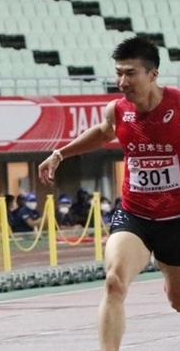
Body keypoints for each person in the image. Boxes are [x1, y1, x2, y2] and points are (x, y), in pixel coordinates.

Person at [38, 36, 180, 351]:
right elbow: (103, 133)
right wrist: (60, 154)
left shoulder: (179, 106)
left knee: (177, 300)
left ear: (153, 75)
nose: (122, 81)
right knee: (114, 282)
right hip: (134, 214)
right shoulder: (117, 110)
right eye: (118, 73)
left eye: (130, 73)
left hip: (176, 219)